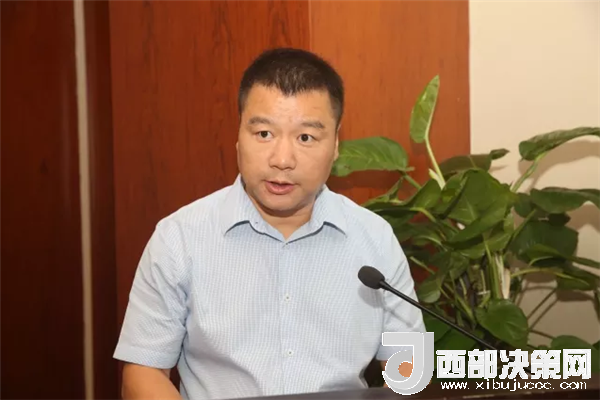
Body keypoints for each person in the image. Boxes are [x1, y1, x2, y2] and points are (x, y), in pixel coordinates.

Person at [114, 47, 425, 400]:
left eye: (306, 137)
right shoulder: (179, 238)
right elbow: (142, 372)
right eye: (264, 133)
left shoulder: (375, 239)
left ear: (336, 144)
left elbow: (409, 373)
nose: (282, 159)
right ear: (238, 136)